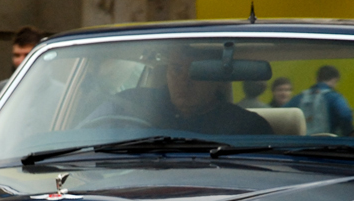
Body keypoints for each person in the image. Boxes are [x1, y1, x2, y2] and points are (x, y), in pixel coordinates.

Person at [83, 47, 272, 136]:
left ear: (217, 79)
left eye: (196, 72)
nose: (183, 80)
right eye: (176, 69)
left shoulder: (248, 128)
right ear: (166, 72)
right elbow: (81, 140)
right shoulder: (127, 104)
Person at [0, 26, 46, 109]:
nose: (21, 61)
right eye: (17, 55)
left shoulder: (60, 92)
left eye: (27, 55)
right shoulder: (2, 90)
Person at [289, 65, 354, 135]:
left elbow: (281, 116)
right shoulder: (334, 97)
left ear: (316, 79)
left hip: (302, 143)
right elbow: (345, 115)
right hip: (327, 142)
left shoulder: (299, 97)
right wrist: (348, 135)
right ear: (335, 80)